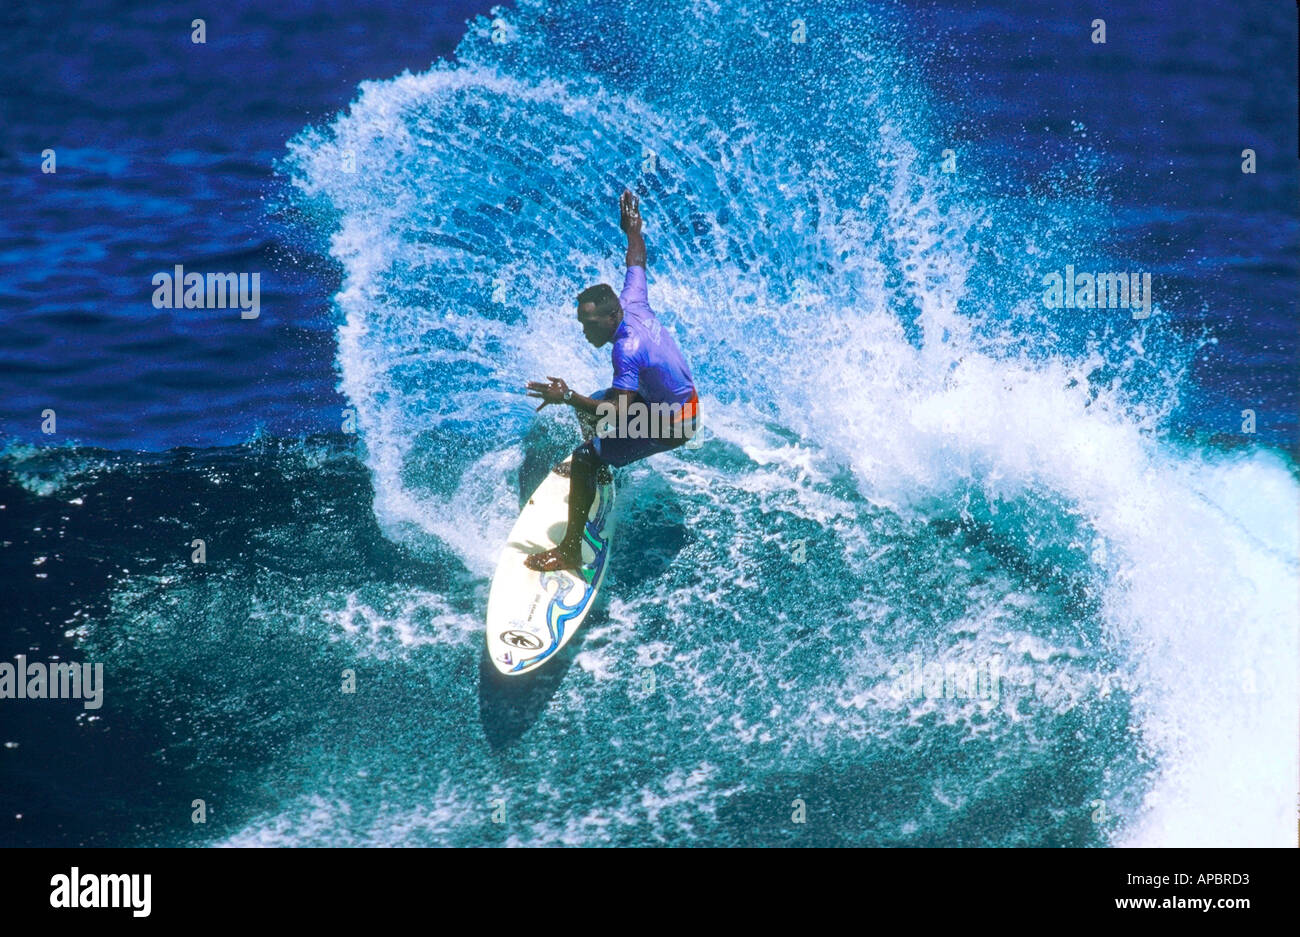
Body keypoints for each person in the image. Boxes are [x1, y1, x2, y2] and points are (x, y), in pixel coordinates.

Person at [524, 189, 699, 573]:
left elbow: (617, 411)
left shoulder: (626, 349)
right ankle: (604, 459)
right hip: (668, 403)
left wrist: (566, 395)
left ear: (608, 318)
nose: (584, 332)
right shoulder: (632, 300)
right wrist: (632, 228)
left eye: (588, 325)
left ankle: (570, 551)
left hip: (674, 424)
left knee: (586, 453)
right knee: (598, 404)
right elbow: (637, 257)